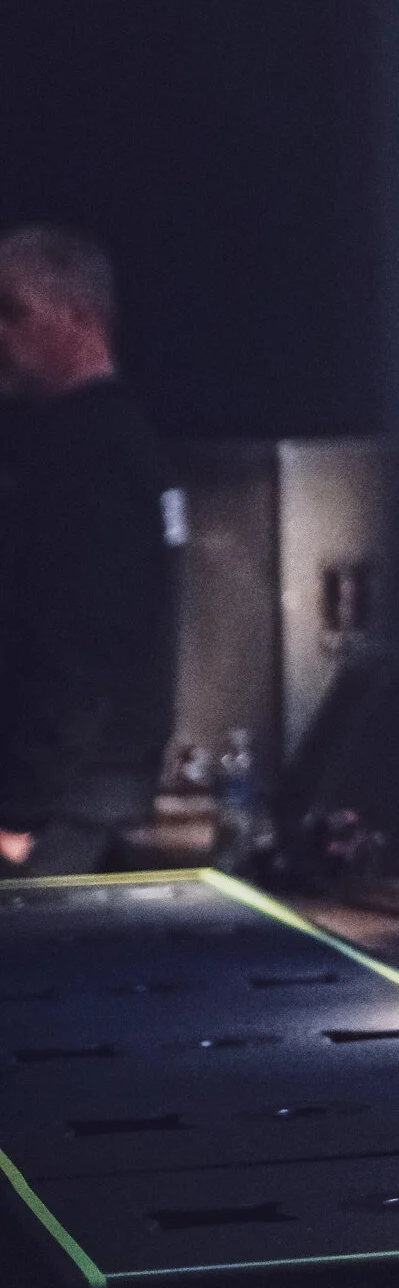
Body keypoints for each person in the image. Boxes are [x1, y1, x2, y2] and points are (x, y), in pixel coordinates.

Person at [0, 227, 178, 876]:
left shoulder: (90, 456)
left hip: (61, 802)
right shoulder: (110, 443)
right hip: (80, 789)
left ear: (79, 317)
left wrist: (19, 810)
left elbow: (80, 638)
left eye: (13, 310)